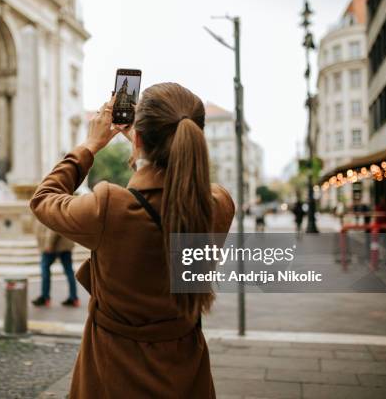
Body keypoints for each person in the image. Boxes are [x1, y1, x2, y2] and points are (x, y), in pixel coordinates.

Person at [30, 83, 234, 398]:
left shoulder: (109, 208)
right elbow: (190, 186)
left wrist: (90, 145)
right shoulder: (219, 205)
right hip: (186, 374)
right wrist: (144, 144)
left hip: (114, 374)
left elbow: (44, 199)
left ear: (138, 139)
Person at [32, 222, 79, 307]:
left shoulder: (48, 208)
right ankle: (74, 298)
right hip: (65, 244)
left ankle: (45, 297)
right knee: (69, 271)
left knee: (45, 268)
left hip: (54, 246)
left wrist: (49, 244)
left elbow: (53, 226)